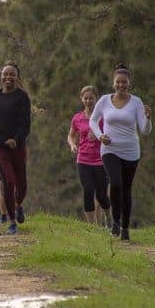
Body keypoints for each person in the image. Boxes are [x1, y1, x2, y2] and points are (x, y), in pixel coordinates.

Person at [89, 64, 152, 241]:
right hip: (109, 149)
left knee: (126, 188)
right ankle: (115, 221)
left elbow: (145, 130)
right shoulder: (104, 100)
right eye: (118, 82)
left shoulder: (136, 102)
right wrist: (100, 135)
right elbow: (93, 121)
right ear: (113, 83)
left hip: (131, 151)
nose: (121, 85)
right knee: (115, 183)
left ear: (129, 84)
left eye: (124, 82)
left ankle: (125, 227)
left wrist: (148, 118)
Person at [0, 61, 31, 235]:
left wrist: (16, 139)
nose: (8, 77)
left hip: (17, 145)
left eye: (12, 74)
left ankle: (18, 204)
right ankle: (12, 221)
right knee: (8, 180)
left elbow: (26, 125)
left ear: (17, 77)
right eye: (5, 74)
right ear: (0, 77)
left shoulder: (22, 97)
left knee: (21, 183)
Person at [68, 85, 110, 226]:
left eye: (91, 98)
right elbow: (71, 135)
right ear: (81, 99)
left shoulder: (103, 117)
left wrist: (102, 137)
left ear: (96, 99)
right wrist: (73, 145)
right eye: (85, 98)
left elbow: (111, 134)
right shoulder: (77, 118)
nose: (88, 101)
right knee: (88, 191)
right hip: (83, 160)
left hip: (101, 160)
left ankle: (108, 217)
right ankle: (92, 227)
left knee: (101, 195)